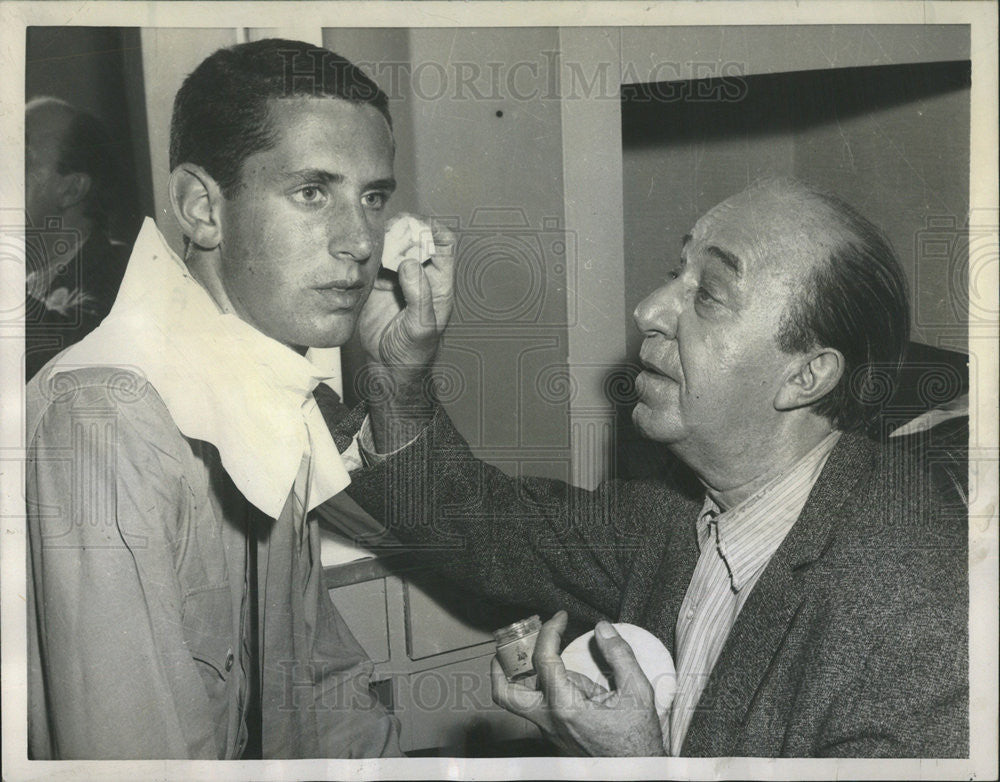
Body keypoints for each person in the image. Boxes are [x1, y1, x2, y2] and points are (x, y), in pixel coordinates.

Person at [333, 177, 969, 757]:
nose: (648, 310)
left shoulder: (919, 612)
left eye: (710, 296)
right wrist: (397, 377)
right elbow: (478, 526)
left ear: (807, 375)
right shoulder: (677, 506)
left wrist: (634, 766)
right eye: (676, 273)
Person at [25, 39, 454, 759]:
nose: (360, 242)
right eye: (313, 192)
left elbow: (321, 687)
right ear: (201, 208)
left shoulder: (259, 381)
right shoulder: (108, 419)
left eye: (372, 198)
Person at [24, 97, 131, 380]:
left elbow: (69, 361)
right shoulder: (22, 275)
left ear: (71, 190)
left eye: (21, 161)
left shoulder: (124, 274)